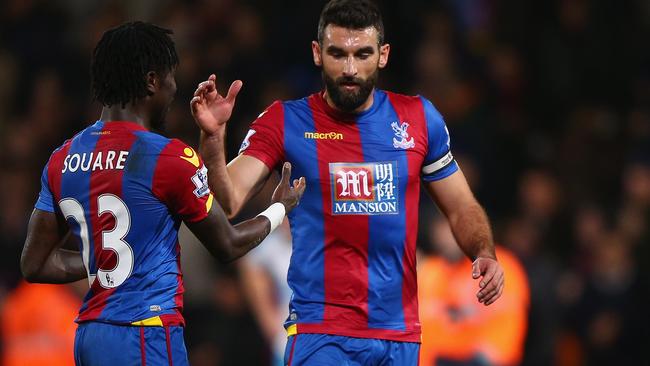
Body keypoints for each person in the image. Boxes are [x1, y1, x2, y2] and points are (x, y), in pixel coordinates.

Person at [191, 0, 504, 364]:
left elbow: (461, 205)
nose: (351, 68)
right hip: (320, 333)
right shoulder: (284, 122)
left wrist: (483, 251)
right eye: (338, 53)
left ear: (383, 55)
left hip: (398, 335)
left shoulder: (419, 119)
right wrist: (212, 140)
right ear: (317, 53)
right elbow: (225, 199)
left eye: (363, 54)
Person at [19, 21, 305, 366]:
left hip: (89, 336)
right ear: (153, 81)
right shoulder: (166, 156)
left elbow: (34, 264)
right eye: (171, 78)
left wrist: (105, 259)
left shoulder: (63, 158)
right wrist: (278, 209)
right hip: (145, 331)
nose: (173, 89)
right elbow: (227, 243)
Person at [418, 215, 529, 366]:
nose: (445, 236)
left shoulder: (500, 265)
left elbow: (507, 328)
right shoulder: (431, 270)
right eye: (440, 228)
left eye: (452, 227)